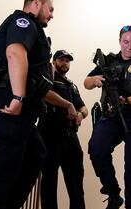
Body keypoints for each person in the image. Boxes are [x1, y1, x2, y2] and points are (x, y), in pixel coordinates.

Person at [0, 0, 76, 209]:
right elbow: (15, 53)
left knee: (36, 154)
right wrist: (18, 97)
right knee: (4, 166)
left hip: (22, 106)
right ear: (35, 4)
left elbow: (39, 88)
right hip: (10, 102)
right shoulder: (23, 22)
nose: (52, 15)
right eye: (50, 9)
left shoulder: (34, 31)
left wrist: (67, 103)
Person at [84, 25, 131, 209]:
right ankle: (112, 193)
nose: (129, 46)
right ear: (120, 41)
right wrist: (94, 81)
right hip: (112, 117)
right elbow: (86, 82)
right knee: (96, 148)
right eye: (126, 41)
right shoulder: (108, 62)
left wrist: (127, 100)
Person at [37, 50, 88, 209]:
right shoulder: (49, 78)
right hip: (50, 133)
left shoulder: (72, 85)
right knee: (49, 179)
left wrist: (81, 114)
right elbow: (45, 94)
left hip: (70, 135)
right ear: (54, 62)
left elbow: (83, 107)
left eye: (67, 60)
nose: (65, 63)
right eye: (61, 60)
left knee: (76, 180)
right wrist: (67, 105)